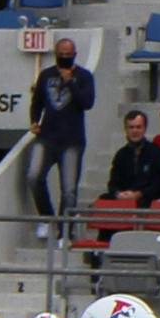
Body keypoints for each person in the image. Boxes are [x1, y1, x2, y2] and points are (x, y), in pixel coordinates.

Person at [25, 37, 94, 238]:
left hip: (72, 141)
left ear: (74, 55)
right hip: (47, 137)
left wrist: (70, 82)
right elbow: (37, 101)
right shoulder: (46, 75)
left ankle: (65, 233)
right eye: (61, 54)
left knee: (69, 190)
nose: (65, 57)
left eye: (68, 54)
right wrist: (34, 120)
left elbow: (87, 103)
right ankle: (47, 218)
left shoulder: (84, 76)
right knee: (34, 176)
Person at [105, 108, 160, 206]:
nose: (135, 131)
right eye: (131, 127)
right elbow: (113, 183)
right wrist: (118, 194)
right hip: (122, 200)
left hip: (148, 200)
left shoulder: (156, 153)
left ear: (144, 129)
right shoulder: (120, 155)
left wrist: (139, 194)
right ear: (126, 129)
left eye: (138, 127)